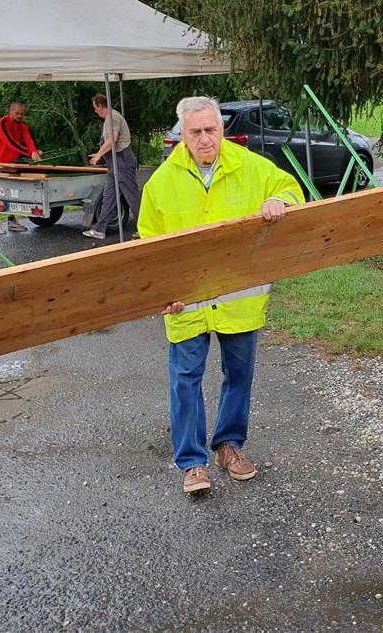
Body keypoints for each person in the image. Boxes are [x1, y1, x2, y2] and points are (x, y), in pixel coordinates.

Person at [138, 96, 304, 495]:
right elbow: (147, 245)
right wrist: (163, 293)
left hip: (239, 297)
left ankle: (229, 447)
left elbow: (290, 188)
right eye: (195, 131)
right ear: (182, 134)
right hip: (186, 301)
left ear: (221, 129)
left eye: (211, 130)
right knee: (185, 381)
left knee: (239, 375)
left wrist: (279, 200)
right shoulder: (161, 182)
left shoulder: (252, 166)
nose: (205, 139)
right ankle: (192, 463)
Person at [83, 94, 141, 240]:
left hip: (122, 162)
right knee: (108, 197)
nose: (95, 111)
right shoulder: (110, 118)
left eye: (95, 108)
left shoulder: (113, 118)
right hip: (115, 164)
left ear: (100, 105)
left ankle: (146, 227)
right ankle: (100, 230)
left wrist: (98, 156)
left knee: (132, 196)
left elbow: (112, 140)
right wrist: (99, 154)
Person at [0, 101, 42, 235]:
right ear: (10, 112)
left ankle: (11, 220)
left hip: (10, 162)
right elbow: (10, 143)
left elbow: (28, 140)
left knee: (11, 191)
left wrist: (34, 151)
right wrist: (30, 153)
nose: (20, 116)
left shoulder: (22, 126)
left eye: (22, 114)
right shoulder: (1, 124)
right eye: (17, 113)